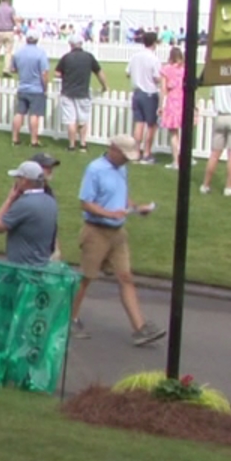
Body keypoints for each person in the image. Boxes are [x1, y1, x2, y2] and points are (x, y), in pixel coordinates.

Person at [70, 135, 163, 346]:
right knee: (86, 278)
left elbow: (123, 196)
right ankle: (69, 319)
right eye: (124, 156)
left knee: (126, 277)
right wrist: (109, 214)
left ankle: (140, 328)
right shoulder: (95, 170)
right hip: (96, 232)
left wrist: (137, 208)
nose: (127, 160)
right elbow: (85, 203)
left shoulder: (122, 168)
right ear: (113, 149)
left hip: (118, 233)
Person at [0, 159, 58, 268]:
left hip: (22, 269)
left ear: (25, 181)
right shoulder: (51, 201)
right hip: (41, 265)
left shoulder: (24, 204)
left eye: (18, 178)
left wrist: (10, 199)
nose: (15, 181)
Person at [53, 34, 105, 151]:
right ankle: (83, 144)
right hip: (83, 92)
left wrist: (65, 75)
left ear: (70, 45)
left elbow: (57, 73)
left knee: (71, 120)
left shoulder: (66, 57)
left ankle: (71, 145)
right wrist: (105, 86)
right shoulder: (89, 57)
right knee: (83, 119)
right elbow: (99, 72)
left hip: (67, 92)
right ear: (81, 44)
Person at [199, 81, 231, 196]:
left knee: (214, 154)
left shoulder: (219, 79)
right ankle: (229, 187)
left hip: (220, 116)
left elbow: (212, 97)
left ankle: (205, 185)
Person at [126, 31, 162, 163]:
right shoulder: (154, 58)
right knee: (151, 125)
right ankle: (147, 153)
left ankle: (136, 152)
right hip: (149, 93)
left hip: (137, 92)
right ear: (154, 43)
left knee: (138, 124)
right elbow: (157, 78)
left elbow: (128, 73)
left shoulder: (135, 57)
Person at [10, 31, 49, 148]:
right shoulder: (40, 53)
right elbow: (44, 73)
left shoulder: (18, 53)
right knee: (34, 115)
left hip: (22, 87)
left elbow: (13, 69)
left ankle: (15, 138)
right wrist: (45, 87)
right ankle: (33, 140)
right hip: (36, 88)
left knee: (19, 113)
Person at [156, 46, 186, 168]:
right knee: (182, 131)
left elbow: (163, 89)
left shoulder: (166, 70)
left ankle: (176, 161)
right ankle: (182, 158)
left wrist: (161, 105)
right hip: (183, 99)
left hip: (172, 100)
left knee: (173, 133)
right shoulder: (184, 69)